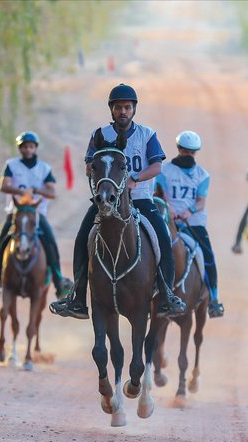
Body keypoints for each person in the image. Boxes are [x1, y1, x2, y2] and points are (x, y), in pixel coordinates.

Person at [49, 83, 186, 320]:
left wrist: (135, 178)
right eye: (119, 107)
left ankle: (166, 295)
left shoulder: (147, 134)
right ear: (111, 110)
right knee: (83, 237)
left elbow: (156, 166)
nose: (123, 111)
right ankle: (78, 298)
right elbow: (89, 165)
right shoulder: (100, 134)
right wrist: (99, 171)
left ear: (134, 109)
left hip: (140, 197)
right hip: (107, 199)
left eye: (127, 107)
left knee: (162, 237)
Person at [0, 131, 73, 301]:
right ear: (20, 149)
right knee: (0, 243)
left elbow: (52, 192)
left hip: (36, 213)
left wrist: (36, 191)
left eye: (30, 147)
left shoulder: (44, 168)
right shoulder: (11, 165)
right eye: (24, 147)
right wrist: (21, 191)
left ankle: (59, 283)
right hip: (15, 212)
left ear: (35, 148)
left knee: (50, 243)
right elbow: (3, 186)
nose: (28, 150)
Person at [156, 130, 224, 318]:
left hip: (193, 222)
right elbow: (158, 193)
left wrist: (189, 212)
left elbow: (201, 201)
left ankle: (214, 299)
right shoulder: (164, 170)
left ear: (196, 152)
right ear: (179, 149)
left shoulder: (203, 175)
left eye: (192, 152)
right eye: (185, 151)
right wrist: (168, 208)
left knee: (207, 254)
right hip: (167, 219)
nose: (188, 155)